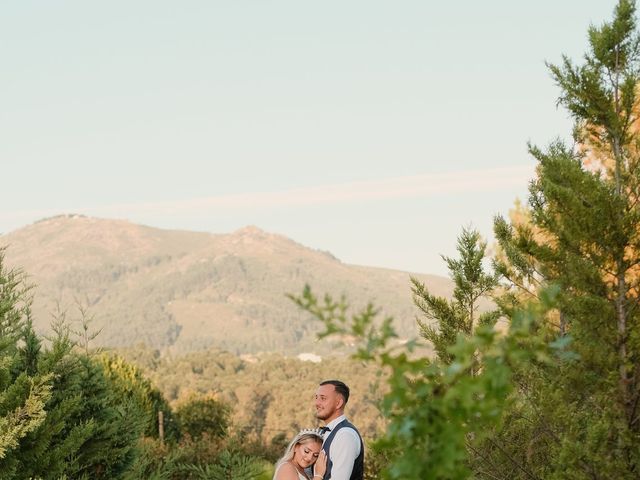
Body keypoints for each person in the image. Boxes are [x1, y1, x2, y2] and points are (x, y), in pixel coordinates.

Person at [315, 380, 364, 480]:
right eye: (316, 398)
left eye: (323, 398)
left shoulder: (345, 436)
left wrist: (318, 476)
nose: (317, 403)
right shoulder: (329, 432)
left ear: (338, 403)